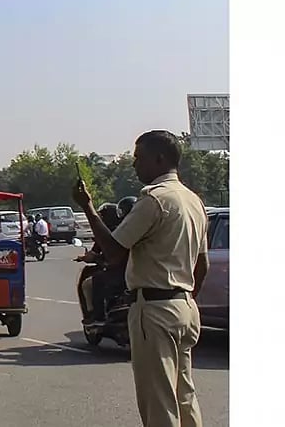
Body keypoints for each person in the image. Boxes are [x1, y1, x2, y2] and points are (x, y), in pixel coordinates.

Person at [72, 130, 208, 427]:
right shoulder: (193, 200)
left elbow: (114, 252)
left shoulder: (154, 199)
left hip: (155, 308)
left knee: (159, 401)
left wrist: (88, 207)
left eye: (139, 158)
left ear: (159, 159)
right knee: (184, 395)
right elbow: (202, 264)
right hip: (184, 305)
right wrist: (184, 299)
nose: (134, 165)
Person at [74, 203, 125, 323]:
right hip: (132, 273)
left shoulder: (104, 234)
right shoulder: (127, 230)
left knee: (90, 283)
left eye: (102, 216)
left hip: (117, 272)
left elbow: (96, 254)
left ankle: (97, 316)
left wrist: (88, 257)